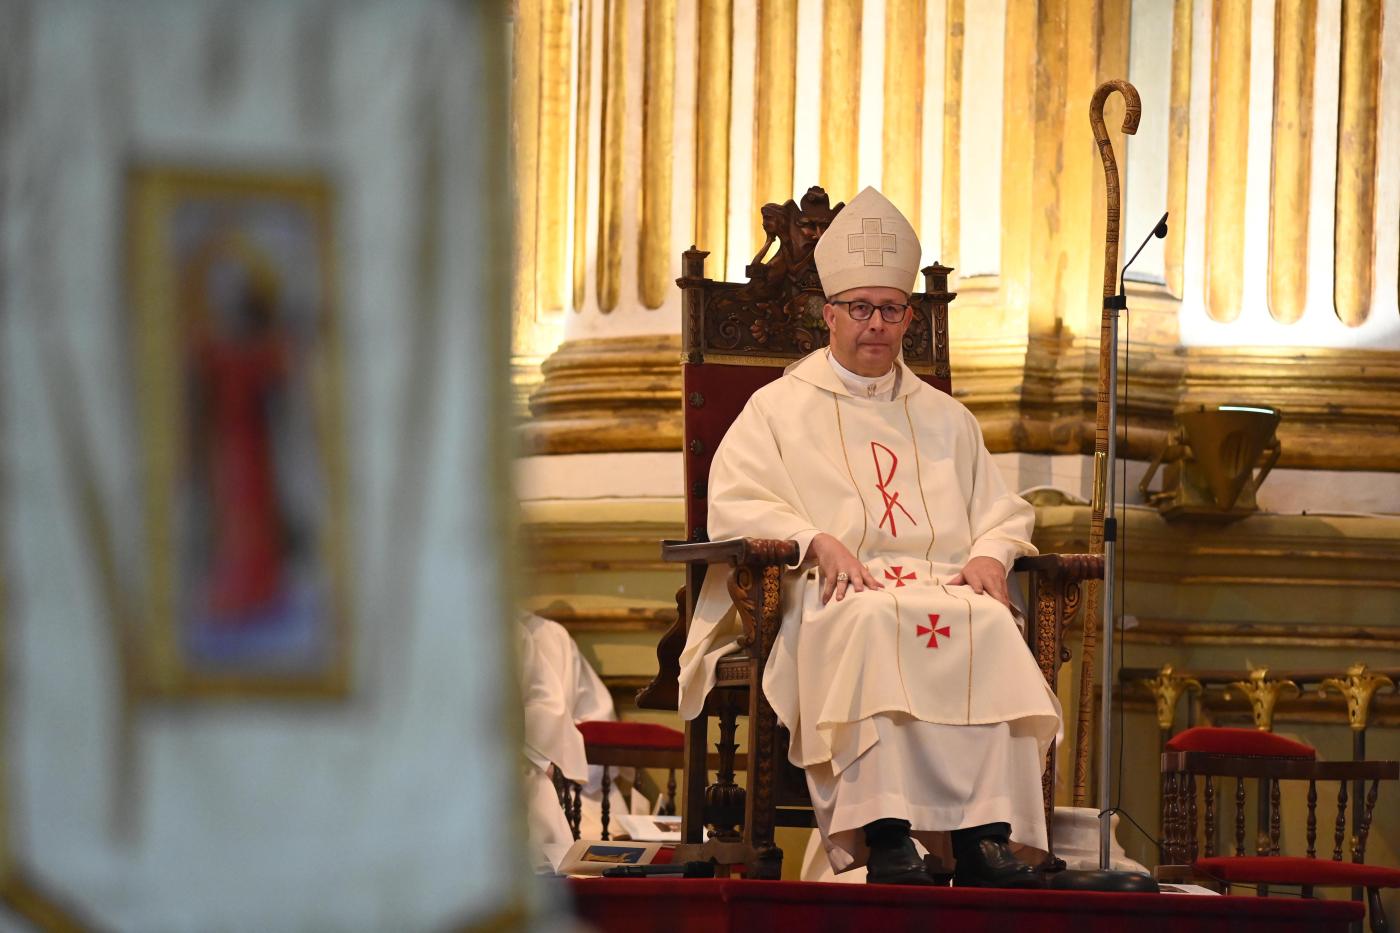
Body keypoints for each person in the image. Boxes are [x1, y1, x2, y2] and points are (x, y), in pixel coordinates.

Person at [676, 187, 1060, 887]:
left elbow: (1003, 509)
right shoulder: (778, 409)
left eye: (889, 309)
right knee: (873, 618)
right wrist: (811, 538)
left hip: (940, 586)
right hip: (831, 592)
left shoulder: (948, 419)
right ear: (829, 315)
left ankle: (984, 836)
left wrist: (989, 554)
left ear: (910, 317)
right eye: (860, 308)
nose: (875, 324)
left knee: (993, 624)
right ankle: (885, 832)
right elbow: (734, 502)